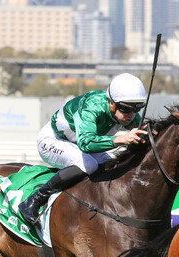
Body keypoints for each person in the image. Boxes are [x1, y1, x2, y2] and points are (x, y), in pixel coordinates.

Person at [18, 72, 149, 226]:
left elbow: (144, 129)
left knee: (113, 161)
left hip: (75, 143)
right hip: (52, 141)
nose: (131, 115)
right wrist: (120, 139)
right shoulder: (92, 106)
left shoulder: (127, 113)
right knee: (90, 165)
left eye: (137, 109)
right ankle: (34, 200)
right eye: (126, 109)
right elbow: (86, 143)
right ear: (112, 103)